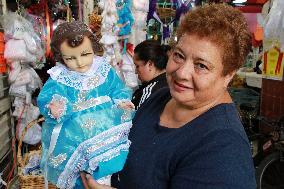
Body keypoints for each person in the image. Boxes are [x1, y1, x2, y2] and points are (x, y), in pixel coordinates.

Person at [81, 4, 256, 189]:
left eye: (201, 65)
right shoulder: (161, 97)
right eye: (179, 55)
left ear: (228, 75)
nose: (182, 73)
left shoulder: (224, 148)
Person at [37, 21, 134, 189]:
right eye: (70, 58)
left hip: (106, 124)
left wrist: (121, 101)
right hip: (74, 131)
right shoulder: (60, 77)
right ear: (61, 56)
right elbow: (46, 97)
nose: (80, 62)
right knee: (79, 174)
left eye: (85, 54)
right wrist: (54, 107)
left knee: (107, 168)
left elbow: (118, 88)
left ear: (93, 49)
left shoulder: (103, 69)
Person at [132, 40, 169, 109]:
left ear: (150, 64)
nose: (136, 72)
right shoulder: (168, 82)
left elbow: (139, 119)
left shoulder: (150, 91)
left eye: (137, 66)